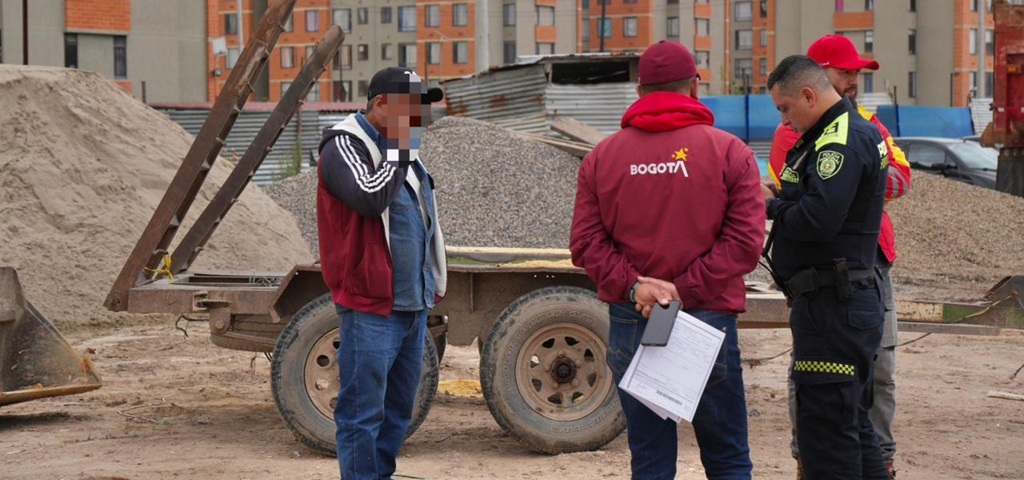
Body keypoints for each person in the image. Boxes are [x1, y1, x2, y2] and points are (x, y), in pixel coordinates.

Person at [570, 40, 765, 480]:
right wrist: (686, 289)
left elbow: (585, 243)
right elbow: (746, 242)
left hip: (633, 318)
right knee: (728, 455)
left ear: (639, 92)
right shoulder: (729, 152)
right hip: (707, 321)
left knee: (651, 459)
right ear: (694, 86)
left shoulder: (602, 157)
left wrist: (638, 286)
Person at [768, 34, 911, 480]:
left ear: (808, 95)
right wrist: (779, 198)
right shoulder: (828, 133)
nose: (785, 120)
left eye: (786, 109)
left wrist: (768, 205)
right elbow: (806, 198)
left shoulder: (841, 137)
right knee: (850, 424)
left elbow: (817, 219)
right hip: (834, 303)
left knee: (826, 433)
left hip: (835, 305)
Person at [316, 66, 447, 479]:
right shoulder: (343, 146)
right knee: (361, 414)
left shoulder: (400, 148)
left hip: (412, 305)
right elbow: (370, 198)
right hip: (372, 306)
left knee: (397, 413)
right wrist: (401, 145)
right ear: (380, 105)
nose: (418, 118)